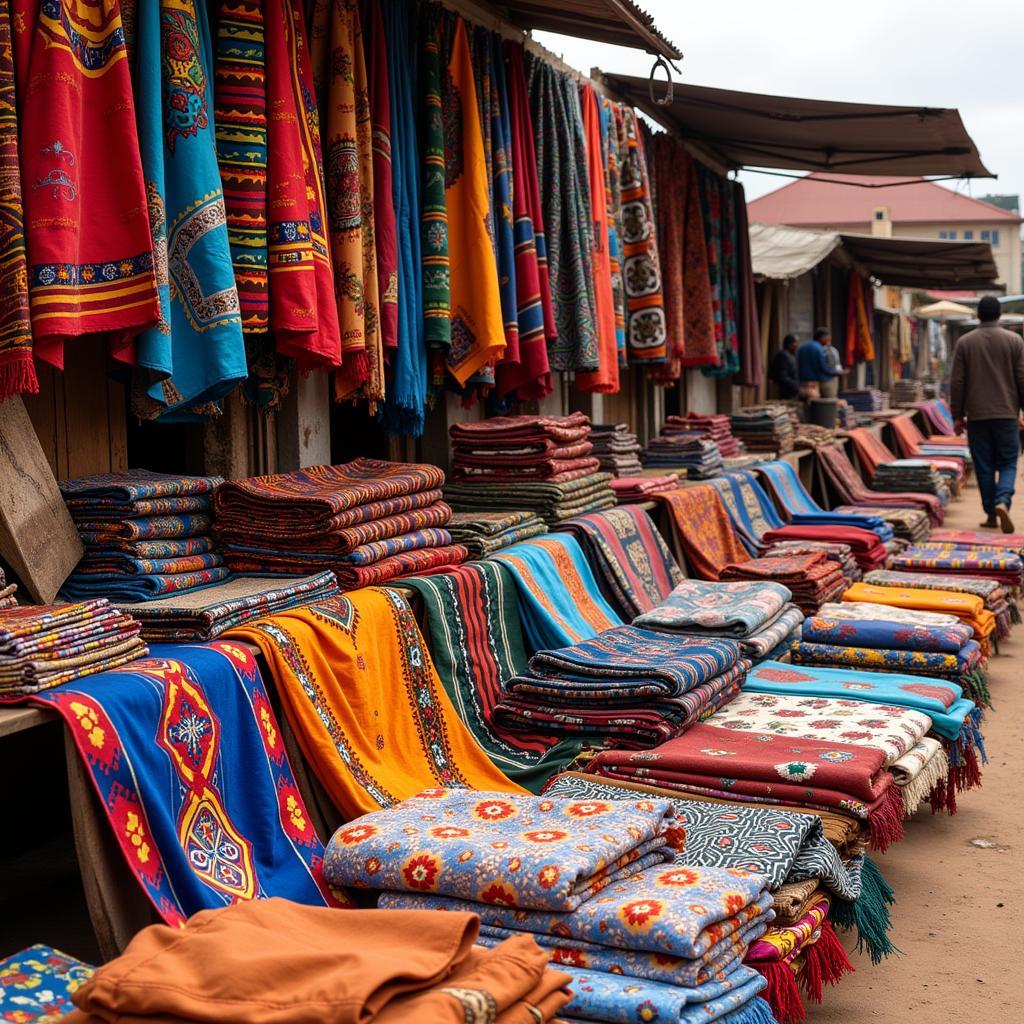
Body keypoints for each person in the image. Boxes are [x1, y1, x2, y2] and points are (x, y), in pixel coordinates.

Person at [950, 294, 1024, 532]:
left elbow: (957, 382)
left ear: (978, 315)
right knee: (1009, 463)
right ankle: (1003, 499)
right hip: (1007, 414)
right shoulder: (1015, 341)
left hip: (978, 416)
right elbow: (1022, 378)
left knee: (984, 466)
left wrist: (957, 415)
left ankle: (991, 513)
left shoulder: (965, 342)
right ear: (999, 315)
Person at [796, 327, 842, 399]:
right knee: (819, 405)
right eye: (828, 338)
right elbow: (822, 367)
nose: (828, 341)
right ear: (823, 337)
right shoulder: (818, 348)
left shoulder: (802, 347)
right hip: (813, 383)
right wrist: (835, 372)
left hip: (802, 383)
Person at [769, 334, 800, 399]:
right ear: (789, 344)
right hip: (785, 391)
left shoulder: (792, 355)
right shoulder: (783, 356)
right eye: (795, 343)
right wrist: (795, 385)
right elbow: (782, 376)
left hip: (792, 390)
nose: (797, 345)